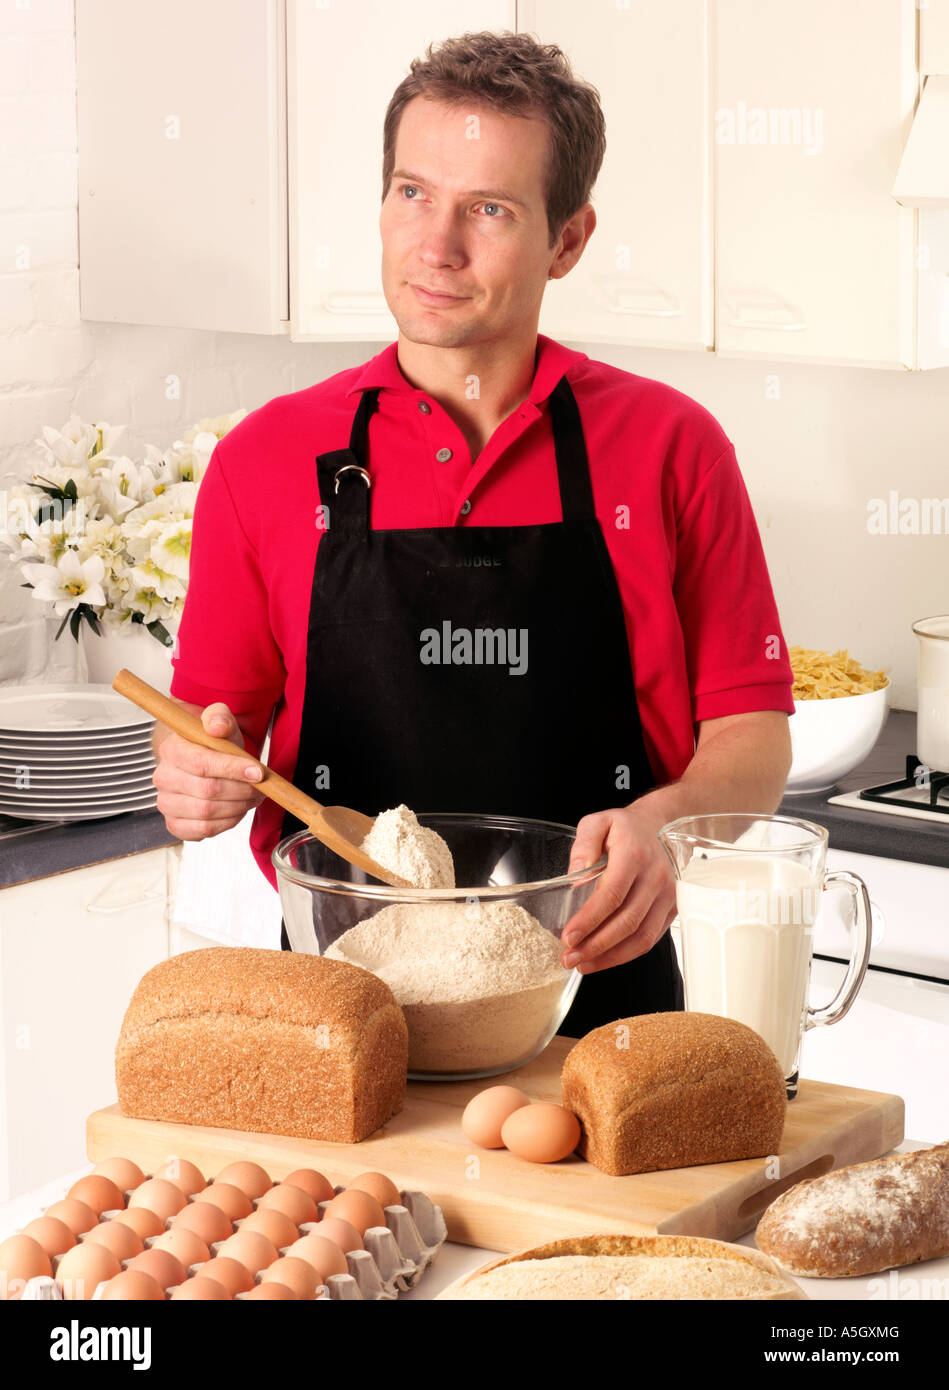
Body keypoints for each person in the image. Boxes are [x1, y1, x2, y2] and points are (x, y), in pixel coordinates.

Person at [153, 31, 793, 1037]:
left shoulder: (670, 448)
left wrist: (664, 824)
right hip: (338, 1011)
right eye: (412, 194)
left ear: (569, 239)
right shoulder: (268, 459)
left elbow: (751, 734)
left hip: (601, 997)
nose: (435, 247)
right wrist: (190, 779)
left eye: (487, 210)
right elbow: (203, 731)